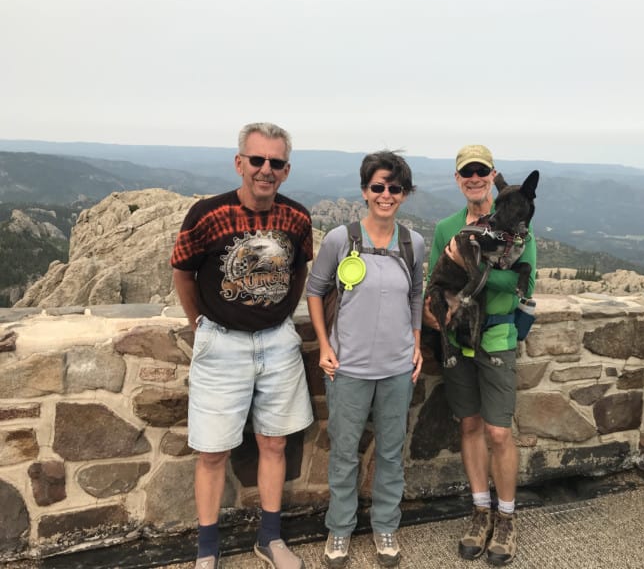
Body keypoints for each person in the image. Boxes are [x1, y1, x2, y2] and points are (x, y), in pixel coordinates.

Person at [171, 122, 313, 569]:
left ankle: (269, 540)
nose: (265, 170)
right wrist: (200, 324)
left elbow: (300, 272)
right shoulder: (207, 215)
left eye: (275, 163)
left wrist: (282, 317)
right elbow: (182, 272)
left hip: (277, 342)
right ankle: (207, 551)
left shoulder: (297, 218)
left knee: (274, 445)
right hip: (223, 344)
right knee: (212, 451)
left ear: (286, 170)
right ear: (240, 163)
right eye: (257, 160)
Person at [306, 150, 425, 568]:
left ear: (404, 194)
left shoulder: (413, 244)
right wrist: (324, 344)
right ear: (364, 191)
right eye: (378, 187)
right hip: (348, 368)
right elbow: (315, 291)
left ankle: (385, 526)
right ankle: (339, 530)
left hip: (396, 368)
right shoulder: (341, 239)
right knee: (343, 452)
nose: (386, 195)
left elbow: (415, 296)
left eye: (395, 188)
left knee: (391, 452)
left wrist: (415, 343)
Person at [422, 144, 536, 566]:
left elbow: (528, 283)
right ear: (457, 179)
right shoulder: (447, 227)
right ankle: (479, 511)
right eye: (466, 172)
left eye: (481, 171)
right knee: (469, 425)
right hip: (459, 336)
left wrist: (478, 277)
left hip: (498, 338)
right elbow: (437, 277)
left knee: (499, 433)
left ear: (492, 176)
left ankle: (506, 517)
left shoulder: (515, 222)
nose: (473, 178)